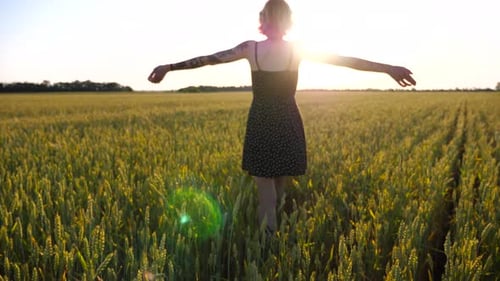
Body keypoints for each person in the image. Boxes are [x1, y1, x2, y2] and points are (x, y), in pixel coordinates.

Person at [148, 0, 416, 234]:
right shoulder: (297, 50)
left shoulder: (250, 49)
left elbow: (208, 59)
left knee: (266, 193)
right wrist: (388, 69)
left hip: (262, 120)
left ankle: (266, 248)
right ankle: (277, 241)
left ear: (263, 19)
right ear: (289, 21)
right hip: (288, 119)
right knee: (278, 187)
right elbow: (346, 61)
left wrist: (169, 67)